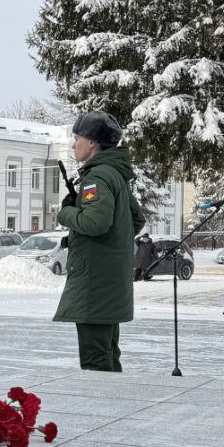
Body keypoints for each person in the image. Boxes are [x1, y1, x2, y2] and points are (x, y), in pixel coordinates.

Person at [53, 111, 145, 372]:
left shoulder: (97, 177)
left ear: (92, 142)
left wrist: (66, 212)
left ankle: (104, 400)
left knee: (96, 362)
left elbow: (95, 223)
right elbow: (136, 220)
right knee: (108, 355)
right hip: (110, 282)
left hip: (95, 285)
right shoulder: (115, 174)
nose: (74, 144)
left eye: (77, 138)